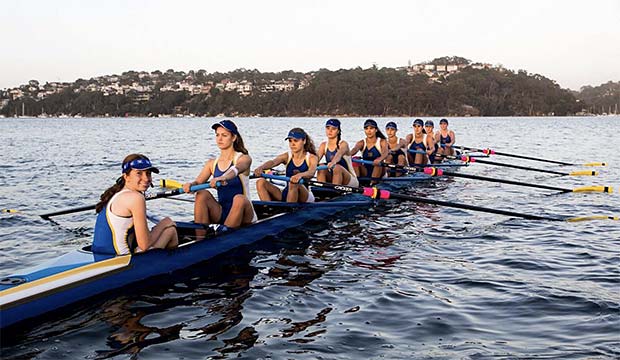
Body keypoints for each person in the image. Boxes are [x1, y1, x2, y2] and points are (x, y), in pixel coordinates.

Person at [92, 154, 178, 255]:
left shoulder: (115, 194)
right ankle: (171, 262)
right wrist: (164, 223)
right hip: (124, 262)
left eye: (148, 173)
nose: (146, 178)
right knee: (170, 230)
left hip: (102, 255)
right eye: (139, 173)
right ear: (126, 176)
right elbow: (144, 245)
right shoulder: (136, 198)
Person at [182, 120, 256, 229]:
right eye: (217, 135)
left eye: (224, 135)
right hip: (222, 212)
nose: (219, 139)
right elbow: (198, 182)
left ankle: (224, 235)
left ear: (234, 138)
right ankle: (200, 240)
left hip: (245, 213)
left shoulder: (244, 158)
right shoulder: (212, 163)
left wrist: (223, 177)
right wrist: (191, 185)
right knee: (202, 194)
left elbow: (236, 169)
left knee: (239, 199)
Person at [253, 128, 318, 202]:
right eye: (290, 141)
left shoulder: (312, 157)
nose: (292, 144)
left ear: (304, 141)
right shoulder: (286, 156)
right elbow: (273, 162)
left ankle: (289, 210)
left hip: (305, 196)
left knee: (293, 183)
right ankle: (268, 208)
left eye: (296, 141)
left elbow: (311, 172)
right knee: (260, 182)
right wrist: (261, 168)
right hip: (287, 192)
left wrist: (300, 175)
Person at [317, 118, 359, 186]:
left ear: (338, 131)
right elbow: (315, 159)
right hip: (334, 176)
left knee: (337, 167)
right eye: (328, 128)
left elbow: (339, 154)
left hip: (350, 180)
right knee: (321, 166)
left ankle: (334, 192)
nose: (330, 131)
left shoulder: (343, 144)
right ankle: (321, 190)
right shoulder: (323, 145)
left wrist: (333, 162)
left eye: (333, 129)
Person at [350, 119, 389, 184]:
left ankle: (372, 184)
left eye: (371, 128)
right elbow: (354, 150)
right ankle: (358, 184)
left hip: (380, 171)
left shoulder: (382, 141)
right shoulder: (361, 142)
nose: (369, 131)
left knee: (378, 163)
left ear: (376, 130)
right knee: (355, 159)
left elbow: (385, 152)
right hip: (366, 170)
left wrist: (380, 159)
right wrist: (345, 155)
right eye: (366, 128)